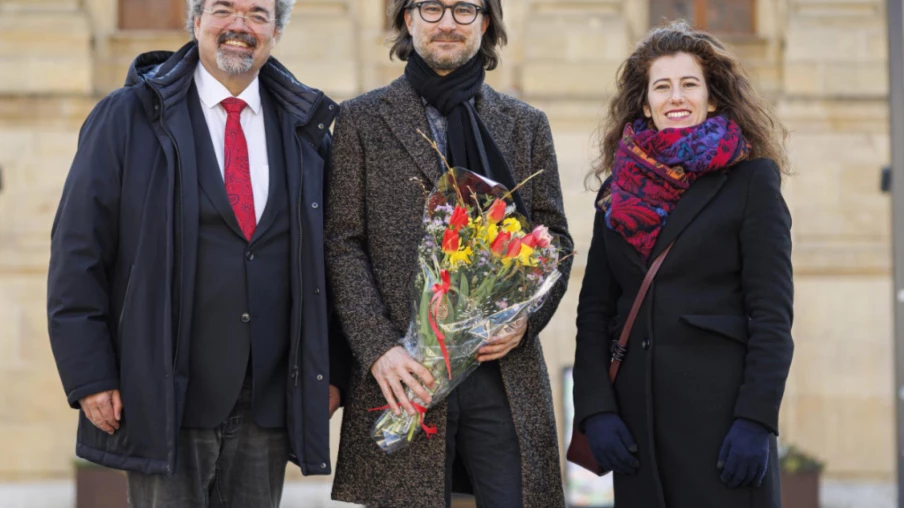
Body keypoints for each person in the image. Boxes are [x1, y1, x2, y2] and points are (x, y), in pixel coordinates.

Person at [46, 1, 349, 506]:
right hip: (164, 393)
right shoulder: (127, 117)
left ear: (277, 31)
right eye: (223, 9)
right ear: (196, 20)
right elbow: (78, 252)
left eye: (257, 14)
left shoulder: (307, 129)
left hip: (268, 400)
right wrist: (90, 374)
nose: (239, 26)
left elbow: (333, 259)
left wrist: (333, 370)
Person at [324, 0, 573, 506]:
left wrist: (526, 318)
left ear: (485, 22)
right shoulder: (360, 120)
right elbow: (342, 244)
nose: (446, 23)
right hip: (403, 373)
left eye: (464, 8)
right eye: (430, 6)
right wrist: (378, 349)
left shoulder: (525, 123)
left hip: (502, 370)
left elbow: (556, 241)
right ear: (408, 19)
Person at [572, 20, 794, 508]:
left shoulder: (752, 181)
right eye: (662, 86)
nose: (676, 96)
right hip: (639, 431)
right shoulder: (616, 192)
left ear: (712, 98)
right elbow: (594, 313)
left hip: (722, 426)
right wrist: (595, 411)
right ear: (645, 103)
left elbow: (771, 316)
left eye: (689, 84)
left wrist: (756, 419)